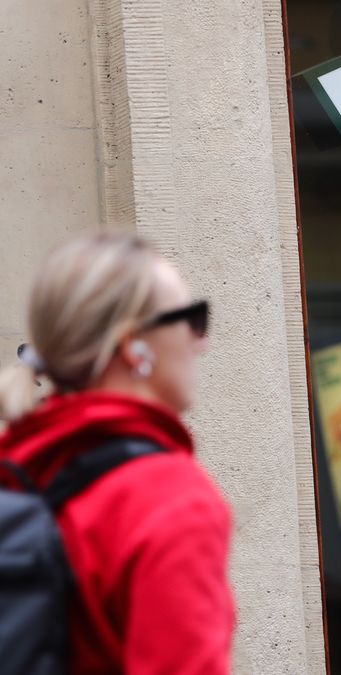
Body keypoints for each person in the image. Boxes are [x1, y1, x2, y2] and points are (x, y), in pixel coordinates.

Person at [0, 234, 234, 673]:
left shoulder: (19, 468)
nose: (201, 341)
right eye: (192, 319)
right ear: (133, 344)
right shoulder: (170, 498)